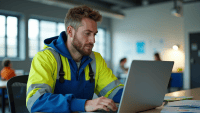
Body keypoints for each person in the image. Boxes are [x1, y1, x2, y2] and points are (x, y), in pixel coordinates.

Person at [26, 5, 124, 113]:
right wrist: (84, 104)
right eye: (87, 33)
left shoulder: (96, 59)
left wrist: (137, 97)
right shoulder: (45, 58)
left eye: (94, 34)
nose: (93, 40)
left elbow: (114, 91)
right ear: (70, 31)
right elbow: (35, 101)